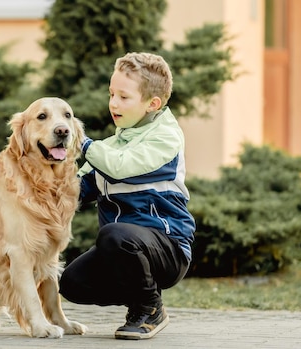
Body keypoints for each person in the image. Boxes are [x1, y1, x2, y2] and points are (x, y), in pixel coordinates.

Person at [59, 52, 196, 340]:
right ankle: (140, 297)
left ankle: (149, 308)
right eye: (111, 94)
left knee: (114, 235)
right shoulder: (111, 145)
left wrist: (81, 143)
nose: (113, 103)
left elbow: (121, 168)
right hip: (124, 249)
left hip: (168, 248)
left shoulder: (166, 138)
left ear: (152, 104)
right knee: (71, 283)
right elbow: (75, 190)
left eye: (123, 97)